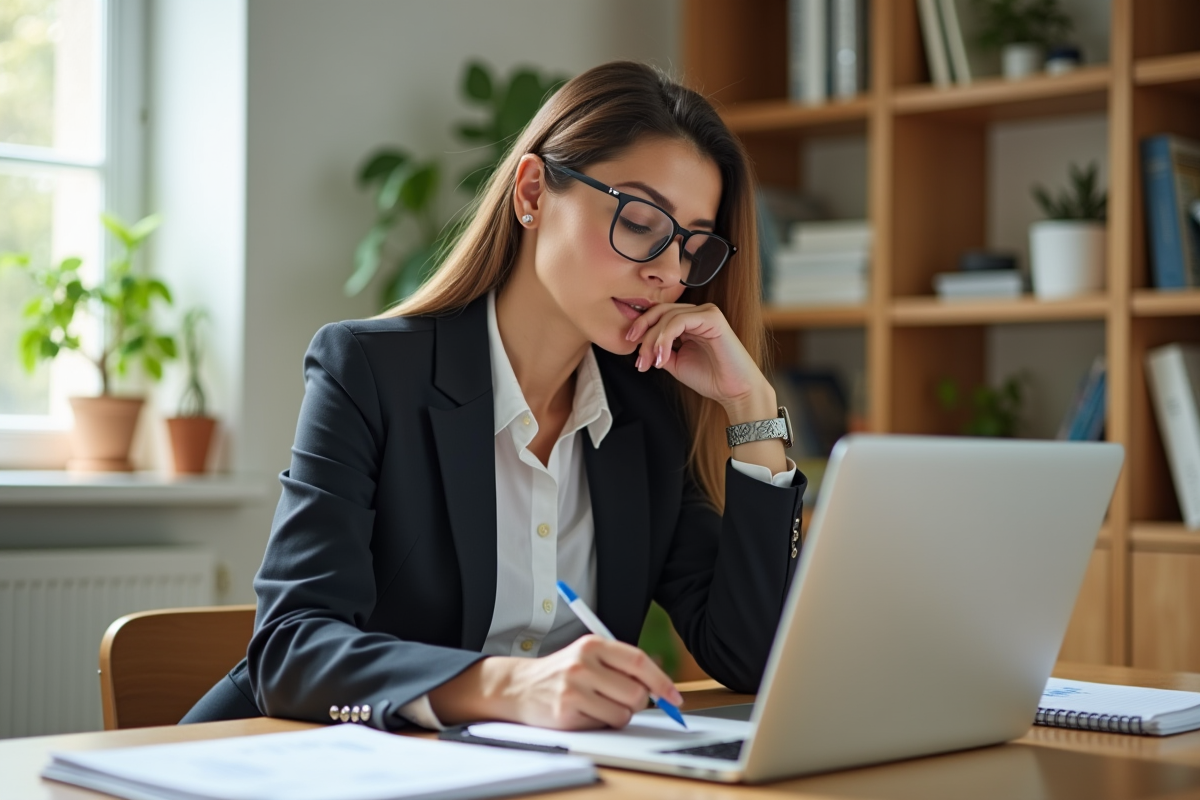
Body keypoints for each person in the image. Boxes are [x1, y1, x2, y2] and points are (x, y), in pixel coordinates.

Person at [183, 60, 806, 732]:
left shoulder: (648, 417)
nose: (665, 271)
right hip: (303, 763)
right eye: (641, 218)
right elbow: (290, 651)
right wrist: (511, 686)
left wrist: (751, 409)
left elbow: (749, 658)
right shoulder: (367, 370)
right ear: (534, 193)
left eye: (692, 246)